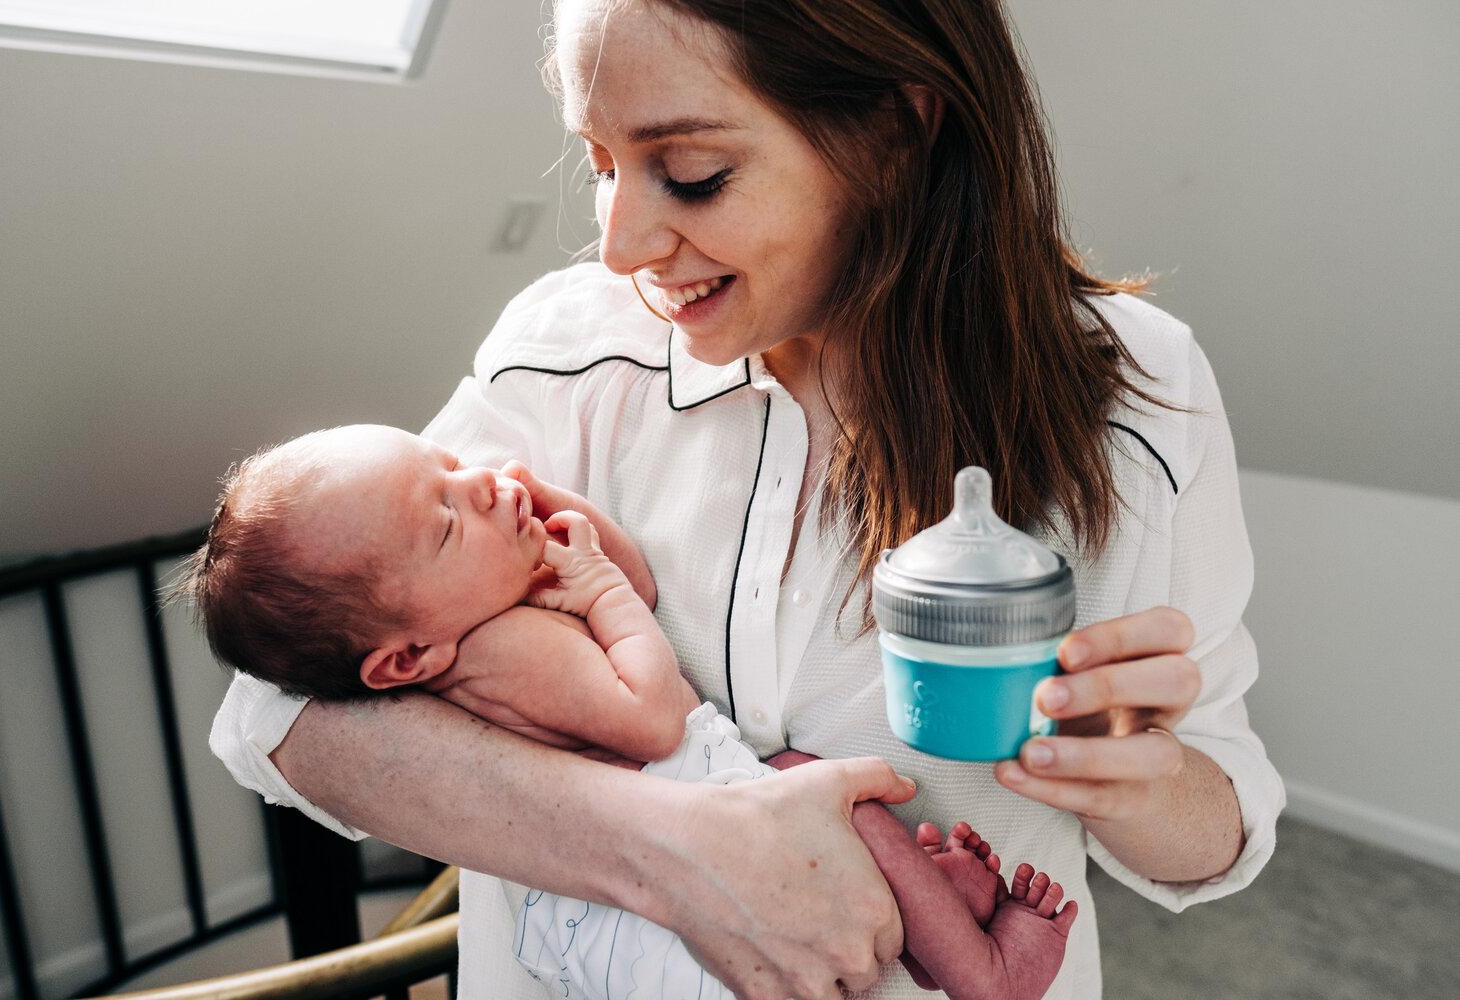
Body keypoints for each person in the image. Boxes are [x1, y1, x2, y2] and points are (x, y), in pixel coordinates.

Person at [209, 2, 1286, 997]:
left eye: (689, 172)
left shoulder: (1137, 390)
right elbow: (283, 704)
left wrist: (1143, 779)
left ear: (899, 130)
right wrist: (679, 851)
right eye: (600, 163)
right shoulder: (564, 349)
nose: (621, 244)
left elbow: (1225, 821)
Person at [187, 422, 1077, 1000]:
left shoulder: (466, 626)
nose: (488, 485)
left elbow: (636, 586)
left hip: (607, 917)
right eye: (449, 521)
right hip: (659, 900)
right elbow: (650, 713)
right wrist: (603, 589)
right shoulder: (506, 649)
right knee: (811, 784)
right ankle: (982, 970)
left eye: (452, 469)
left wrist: (557, 527)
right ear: (405, 658)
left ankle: (923, 926)